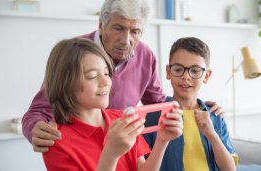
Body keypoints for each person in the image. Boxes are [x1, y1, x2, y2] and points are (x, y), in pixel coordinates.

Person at [22, 0, 224, 153]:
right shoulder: (73, 53)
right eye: (118, 28)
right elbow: (39, 111)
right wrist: (34, 129)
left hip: (124, 149)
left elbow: (157, 102)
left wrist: (191, 105)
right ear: (101, 25)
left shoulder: (146, 55)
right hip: (79, 149)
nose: (126, 40)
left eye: (135, 31)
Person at [42, 37, 183, 171]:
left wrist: (162, 141)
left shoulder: (123, 119)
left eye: (106, 73)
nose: (105, 83)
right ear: (66, 84)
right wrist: (111, 154)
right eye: (92, 76)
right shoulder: (55, 141)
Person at [143, 37, 238, 171]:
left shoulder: (214, 115)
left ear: (206, 76)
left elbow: (230, 169)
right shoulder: (153, 115)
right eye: (178, 69)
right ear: (168, 72)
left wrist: (212, 135)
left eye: (195, 71)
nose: (186, 76)